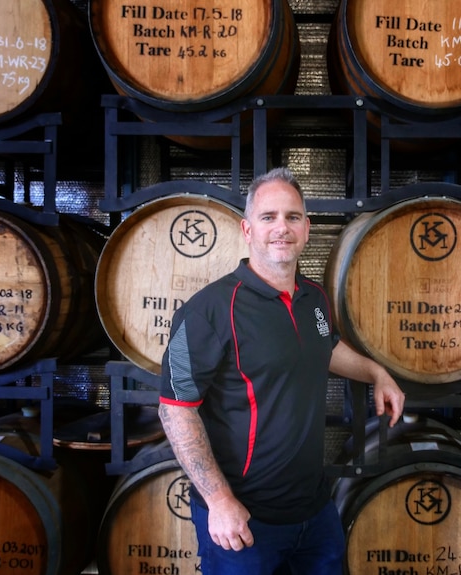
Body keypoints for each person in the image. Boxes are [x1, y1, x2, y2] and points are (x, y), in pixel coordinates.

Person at [157, 166, 406, 574]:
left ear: (307, 229)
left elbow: (325, 348)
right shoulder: (206, 312)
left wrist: (376, 373)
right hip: (245, 520)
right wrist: (219, 501)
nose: (282, 228)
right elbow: (175, 409)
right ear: (247, 229)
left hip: (315, 511)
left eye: (292, 217)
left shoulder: (313, 299)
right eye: (268, 217)